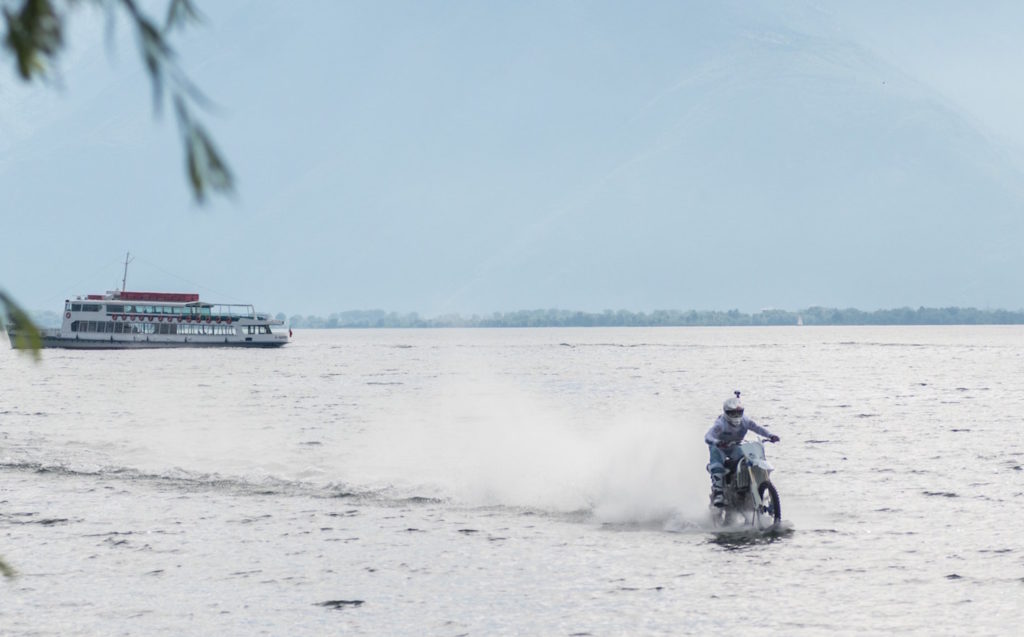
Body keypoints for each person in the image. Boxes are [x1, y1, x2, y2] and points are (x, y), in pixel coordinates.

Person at [704, 392, 780, 507]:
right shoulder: (720, 424)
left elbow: (757, 428)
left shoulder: (745, 421)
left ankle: (746, 485)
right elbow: (708, 436)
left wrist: (770, 435)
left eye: (738, 413)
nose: (736, 416)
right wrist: (717, 442)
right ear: (726, 413)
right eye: (732, 413)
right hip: (720, 447)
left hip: (735, 446)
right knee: (717, 464)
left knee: (746, 458)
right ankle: (718, 492)